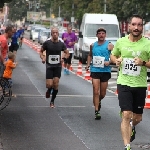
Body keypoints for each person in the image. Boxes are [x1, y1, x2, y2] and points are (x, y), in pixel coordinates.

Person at [110, 14, 150, 150]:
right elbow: (113, 54)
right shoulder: (121, 42)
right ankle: (127, 146)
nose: (136, 27)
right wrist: (116, 60)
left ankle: (132, 127)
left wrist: (143, 62)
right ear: (129, 25)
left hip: (140, 85)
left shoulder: (147, 43)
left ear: (142, 27)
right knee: (126, 114)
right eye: (134, 24)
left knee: (137, 118)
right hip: (124, 83)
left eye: (139, 25)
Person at [85, 28, 114, 120]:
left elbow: (115, 57)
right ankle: (97, 111)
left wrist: (109, 62)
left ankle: (99, 101)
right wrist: (88, 64)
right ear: (96, 35)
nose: (101, 35)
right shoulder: (93, 45)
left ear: (105, 35)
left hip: (105, 71)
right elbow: (90, 55)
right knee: (95, 91)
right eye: (99, 33)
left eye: (103, 33)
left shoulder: (109, 45)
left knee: (102, 93)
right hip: (95, 70)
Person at [40, 27, 69, 108]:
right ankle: (49, 90)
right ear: (51, 34)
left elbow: (67, 53)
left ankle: (52, 101)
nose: (55, 34)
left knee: (56, 84)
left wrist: (63, 58)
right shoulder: (47, 43)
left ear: (58, 33)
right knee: (49, 85)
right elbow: (41, 51)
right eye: (53, 33)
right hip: (49, 66)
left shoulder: (61, 43)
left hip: (57, 66)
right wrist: (43, 57)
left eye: (56, 32)